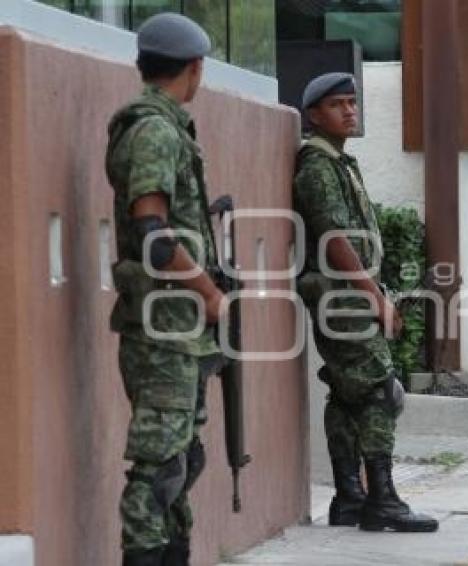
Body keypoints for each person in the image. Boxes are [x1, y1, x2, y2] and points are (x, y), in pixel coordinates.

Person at [293, 72, 438, 532]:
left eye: (353, 103)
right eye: (338, 104)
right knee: (379, 389)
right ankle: (383, 499)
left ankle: (350, 498)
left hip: (346, 294)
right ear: (315, 115)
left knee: (347, 395)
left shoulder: (337, 161)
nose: (349, 111)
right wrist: (375, 299)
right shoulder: (317, 166)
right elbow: (336, 238)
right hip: (343, 299)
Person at [105, 13, 225, 566]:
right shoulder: (154, 130)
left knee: (182, 459)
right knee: (157, 469)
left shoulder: (168, 125)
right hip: (163, 330)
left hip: (178, 328)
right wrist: (208, 291)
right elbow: (154, 237)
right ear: (195, 68)